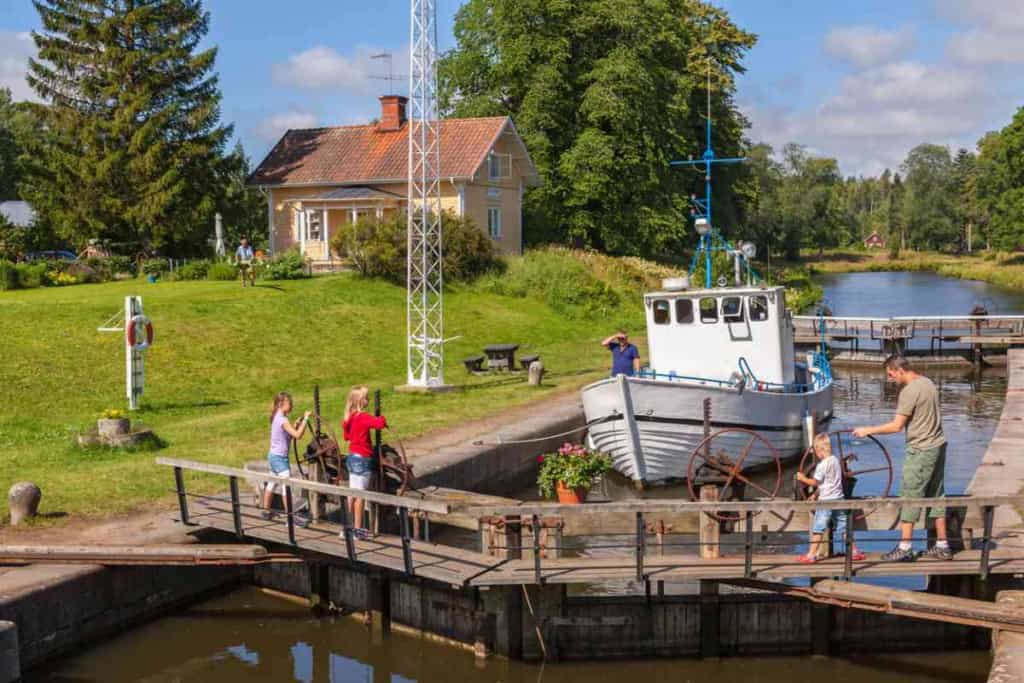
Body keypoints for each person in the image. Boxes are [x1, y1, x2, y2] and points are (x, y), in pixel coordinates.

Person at [853, 355, 950, 561]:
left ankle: (905, 547)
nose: (890, 379)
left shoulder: (909, 391)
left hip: (921, 450)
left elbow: (896, 426)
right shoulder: (928, 383)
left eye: (890, 374)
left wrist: (867, 430)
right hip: (939, 446)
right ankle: (942, 545)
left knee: (909, 496)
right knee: (937, 494)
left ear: (899, 370)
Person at [795, 433, 864, 563]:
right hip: (839, 499)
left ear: (820, 450)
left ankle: (811, 555)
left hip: (826, 501)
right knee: (843, 527)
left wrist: (803, 478)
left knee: (818, 528)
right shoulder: (836, 461)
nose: (816, 454)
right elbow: (828, 483)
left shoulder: (822, 465)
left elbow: (815, 482)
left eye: (816, 451)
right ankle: (855, 552)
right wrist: (815, 495)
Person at [342, 385, 388, 540]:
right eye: (366, 397)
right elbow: (379, 424)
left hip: (352, 458)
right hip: (363, 459)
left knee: (351, 493)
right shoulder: (363, 417)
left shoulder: (349, 417)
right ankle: (358, 530)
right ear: (361, 401)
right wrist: (382, 418)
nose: (368, 400)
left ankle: (347, 528)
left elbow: (346, 437)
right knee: (360, 495)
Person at [262, 392, 312, 527]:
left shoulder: (277, 417)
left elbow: (287, 436)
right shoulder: (283, 420)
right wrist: (306, 420)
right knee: (286, 486)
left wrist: (295, 425)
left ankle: (266, 512)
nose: (292, 405)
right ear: (281, 404)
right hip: (280, 459)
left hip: (273, 456)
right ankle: (290, 519)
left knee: (272, 483)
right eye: (290, 403)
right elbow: (298, 435)